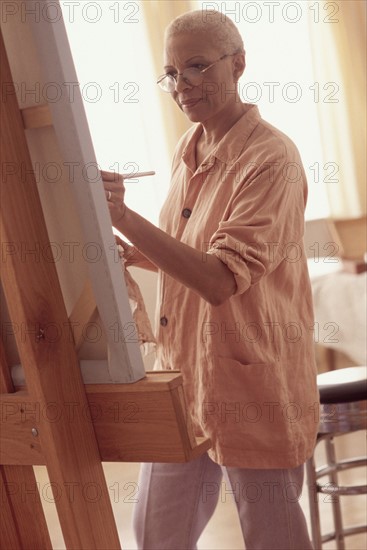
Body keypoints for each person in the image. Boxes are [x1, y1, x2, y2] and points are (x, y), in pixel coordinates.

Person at [103, 9, 318, 550]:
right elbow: (193, 255)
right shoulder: (188, 149)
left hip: (250, 381)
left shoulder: (272, 158)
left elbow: (221, 279)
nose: (183, 86)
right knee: (156, 534)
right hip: (183, 375)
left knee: (273, 539)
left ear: (238, 64)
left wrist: (125, 218)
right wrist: (131, 254)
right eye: (172, 73)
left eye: (197, 66)